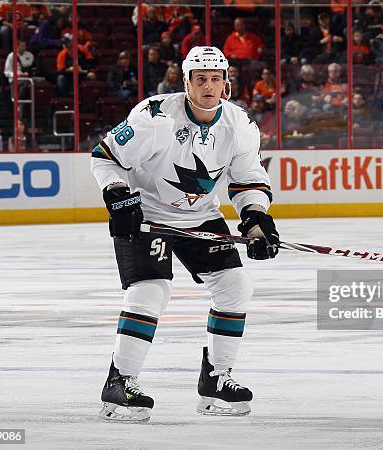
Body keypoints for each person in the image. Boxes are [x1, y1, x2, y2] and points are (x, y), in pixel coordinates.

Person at [91, 46, 278, 421]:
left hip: (200, 215)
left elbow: (247, 181)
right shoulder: (154, 116)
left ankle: (215, 380)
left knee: (235, 285)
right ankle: (120, 382)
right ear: (186, 81)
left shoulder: (239, 125)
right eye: (200, 78)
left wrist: (256, 217)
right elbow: (104, 157)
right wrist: (116, 196)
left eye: (215, 79)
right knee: (151, 290)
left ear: (226, 83)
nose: (208, 85)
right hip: (144, 214)